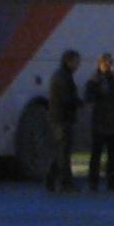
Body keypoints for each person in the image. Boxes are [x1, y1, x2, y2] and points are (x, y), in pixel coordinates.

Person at [85, 55, 114, 195]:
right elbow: (89, 98)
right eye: (106, 64)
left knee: (112, 155)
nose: (108, 66)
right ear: (100, 64)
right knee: (96, 154)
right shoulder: (94, 80)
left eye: (110, 64)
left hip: (112, 122)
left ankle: (111, 181)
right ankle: (93, 181)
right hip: (100, 121)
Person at [43, 52, 82, 193]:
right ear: (69, 61)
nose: (78, 65)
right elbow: (66, 99)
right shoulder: (63, 77)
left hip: (59, 118)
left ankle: (50, 179)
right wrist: (78, 102)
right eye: (76, 62)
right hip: (62, 119)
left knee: (60, 151)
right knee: (63, 152)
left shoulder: (61, 75)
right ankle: (66, 183)